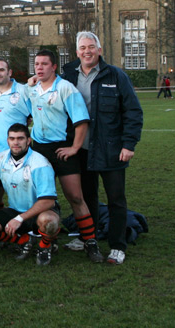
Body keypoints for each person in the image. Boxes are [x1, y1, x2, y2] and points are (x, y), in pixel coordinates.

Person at [61, 31, 143, 264]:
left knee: (116, 198)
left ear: (99, 49)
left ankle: (117, 246)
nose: (87, 51)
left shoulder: (115, 75)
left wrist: (129, 144)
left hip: (112, 149)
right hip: (81, 149)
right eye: (82, 48)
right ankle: (89, 238)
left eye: (91, 47)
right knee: (87, 197)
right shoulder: (67, 75)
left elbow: (133, 111)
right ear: (77, 52)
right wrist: (35, 80)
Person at [25, 49, 104, 263]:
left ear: (54, 67)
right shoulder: (31, 89)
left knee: (76, 197)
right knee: (43, 199)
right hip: (40, 151)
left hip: (62, 150)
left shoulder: (66, 88)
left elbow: (81, 121)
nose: (39, 67)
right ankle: (45, 242)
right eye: (37, 64)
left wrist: (74, 149)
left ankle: (90, 241)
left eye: (44, 64)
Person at [0, 124, 61, 266]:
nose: (16, 142)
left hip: (40, 211)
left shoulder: (40, 163)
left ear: (28, 141)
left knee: (49, 220)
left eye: (20, 138)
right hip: (15, 210)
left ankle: (45, 246)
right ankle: (24, 241)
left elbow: (48, 201)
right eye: (12, 138)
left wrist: (19, 218)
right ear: (7, 140)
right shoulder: (0, 159)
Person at [0, 57, 32, 206]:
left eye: (2, 70)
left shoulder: (23, 91)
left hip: (17, 154)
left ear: (9, 72)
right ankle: (0, 228)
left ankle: (24, 227)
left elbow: (36, 114)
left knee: (20, 198)